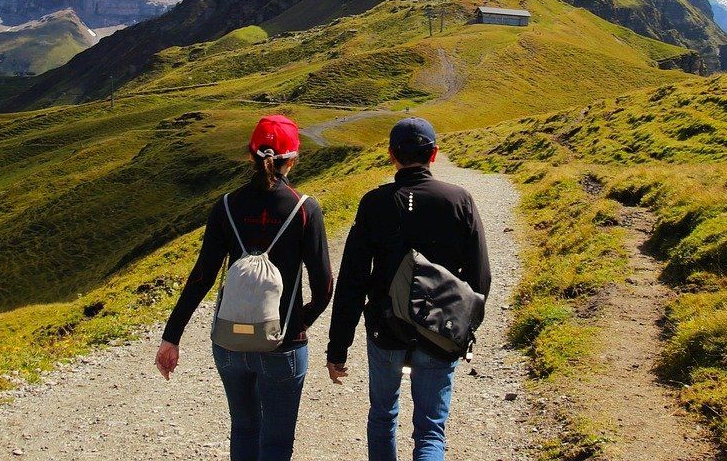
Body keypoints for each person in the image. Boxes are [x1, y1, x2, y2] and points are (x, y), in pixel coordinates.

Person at [155, 114, 332, 461]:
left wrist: (171, 337)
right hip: (282, 345)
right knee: (277, 442)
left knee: (244, 429)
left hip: (229, 343)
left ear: (250, 156)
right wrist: (300, 321)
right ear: (292, 160)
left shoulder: (225, 206)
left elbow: (201, 277)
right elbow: (324, 286)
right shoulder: (305, 208)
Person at [325, 117, 491, 461]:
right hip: (440, 330)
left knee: (383, 417)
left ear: (391, 155)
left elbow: (352, 280)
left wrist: (338, 348)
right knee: (430, 428)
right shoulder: (460, 200)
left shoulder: (374, 203)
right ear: (434, 154)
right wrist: (462, 329)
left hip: (385, 331)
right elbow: (481, 277)